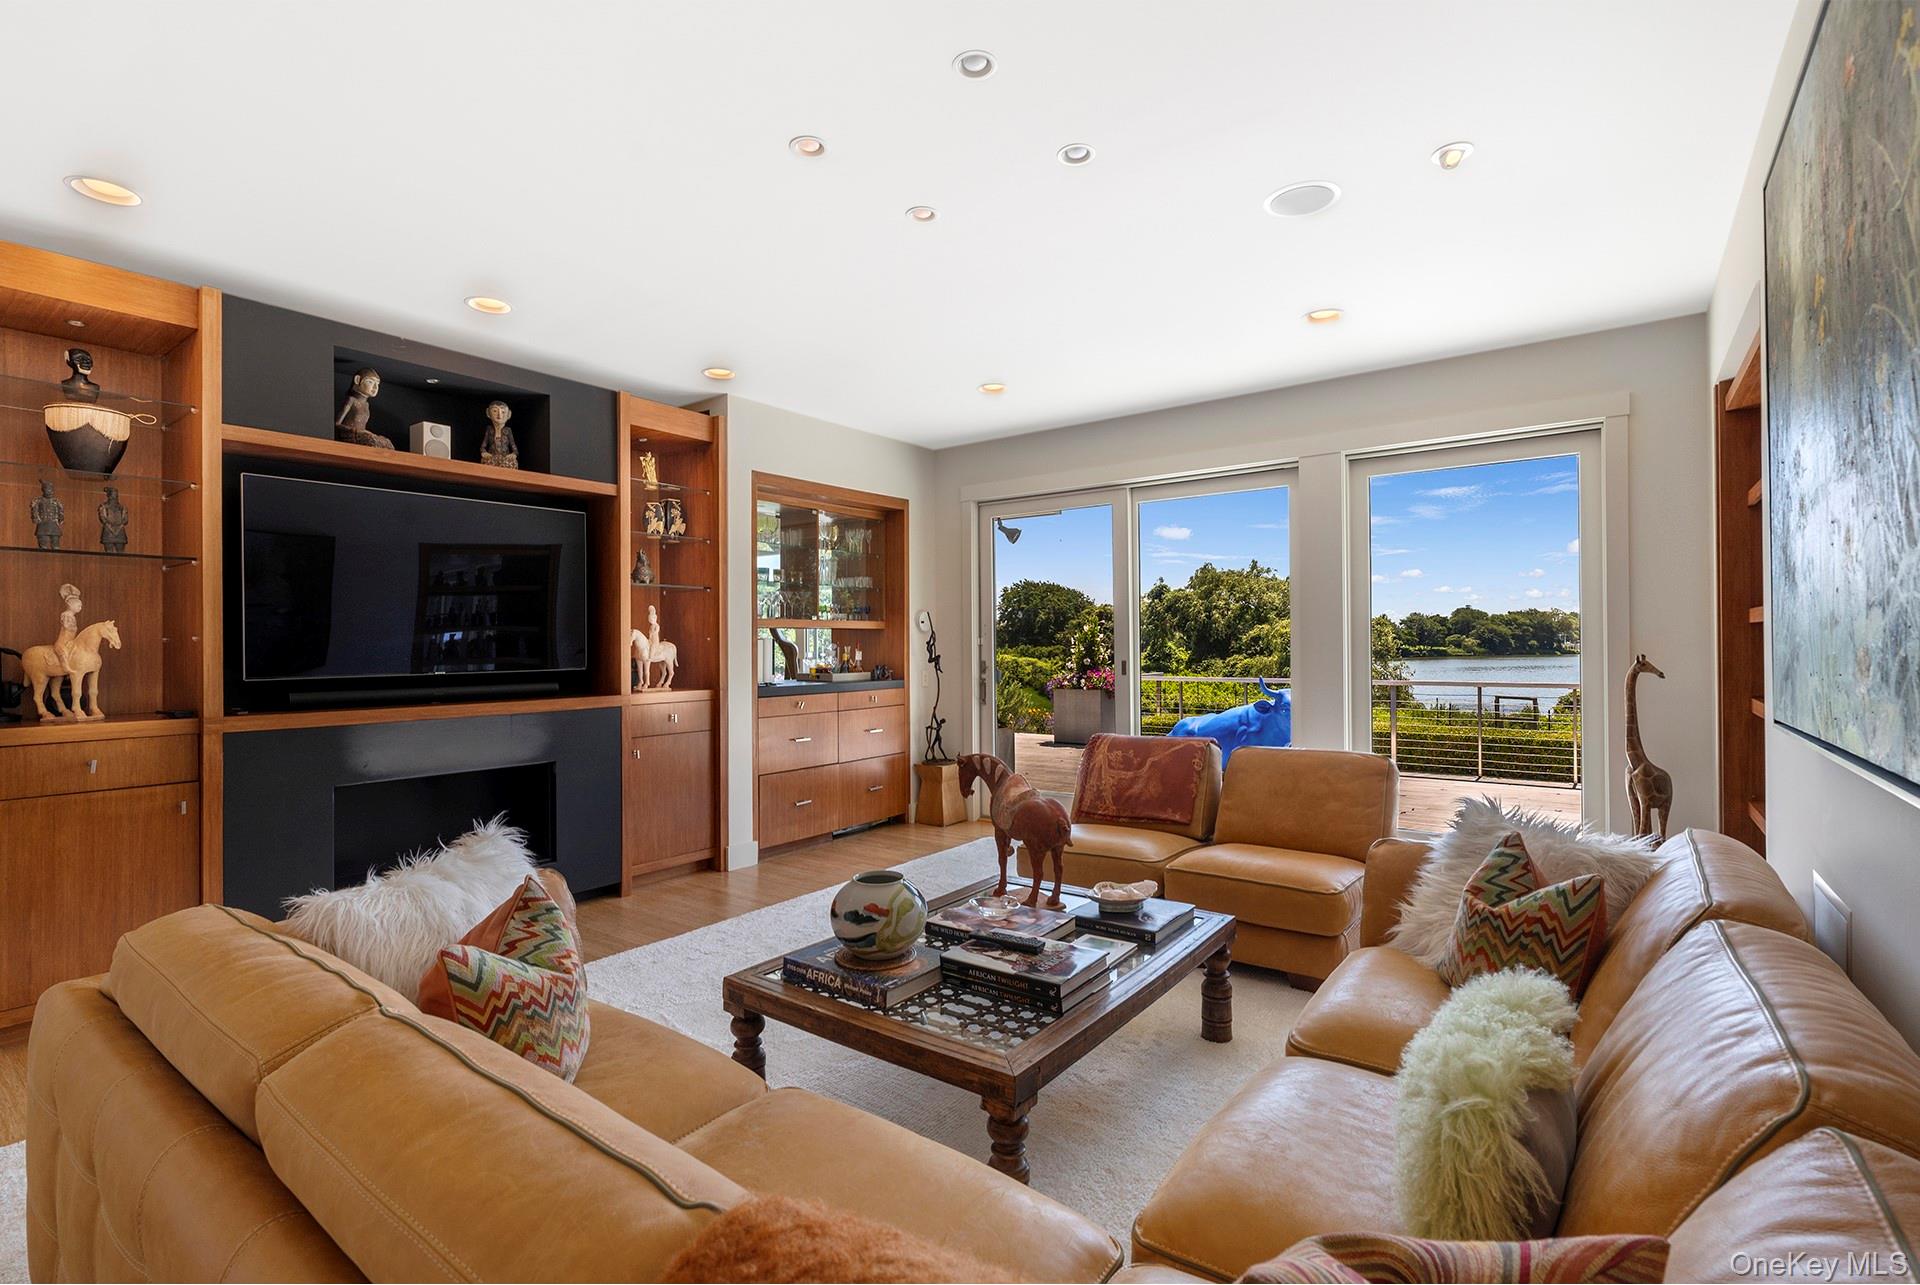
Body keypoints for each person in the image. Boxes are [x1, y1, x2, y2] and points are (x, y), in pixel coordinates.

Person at [480, 400, 518, 469]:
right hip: (492, 458)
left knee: (513, 462)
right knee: (486, 462)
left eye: (503, 412)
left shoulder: (508, 430)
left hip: (505, 458)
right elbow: (483, 446)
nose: (499, 415)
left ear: (508, 415)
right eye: (495, 411)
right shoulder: (489, 430)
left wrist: (514, 454)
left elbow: (513, 446)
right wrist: (484, 452)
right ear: (488, 413)